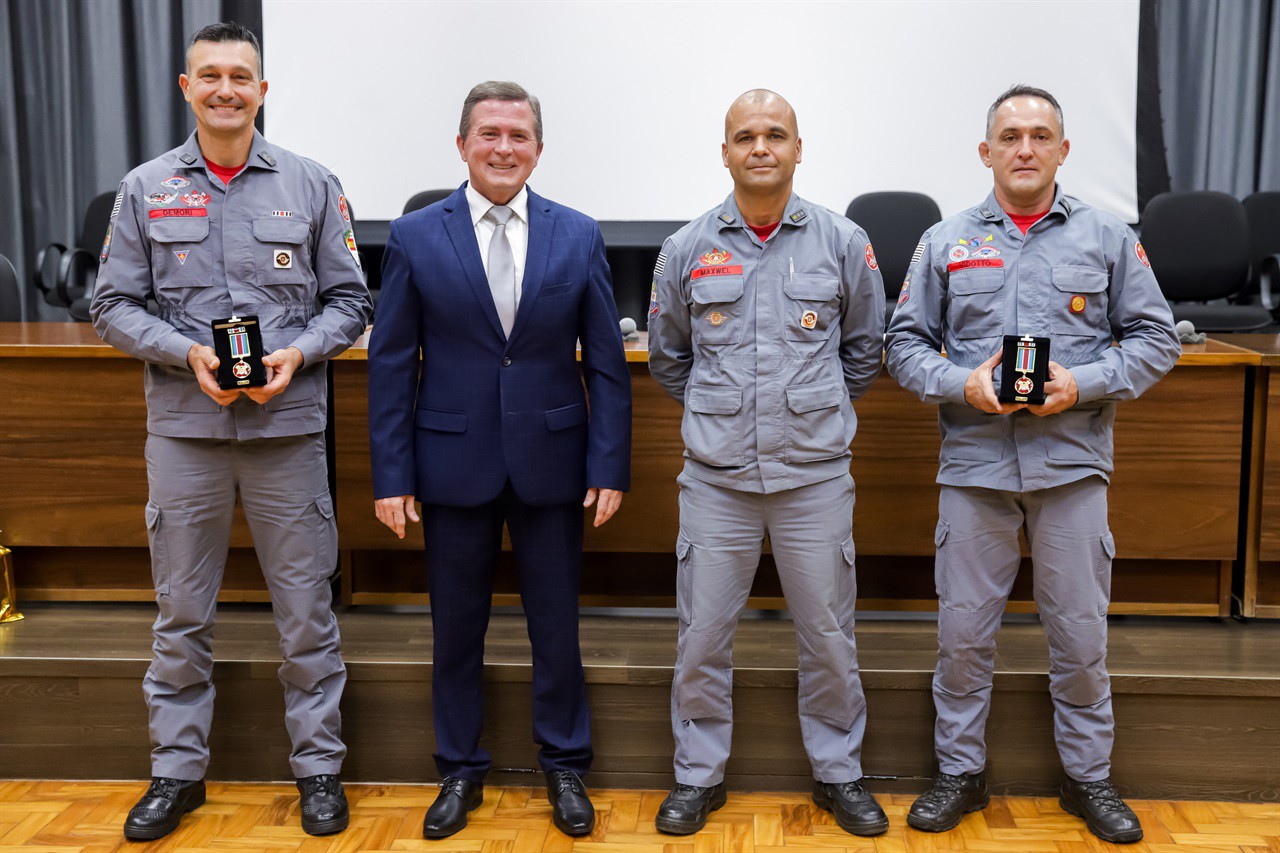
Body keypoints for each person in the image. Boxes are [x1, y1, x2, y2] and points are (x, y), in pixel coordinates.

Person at [90, 22, 371, 842]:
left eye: (239, 76)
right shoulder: (143, 190)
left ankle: (319, 768)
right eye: (208, 75)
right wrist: (185, 353)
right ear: (186, 89)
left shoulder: (313, 185)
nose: (224, 89)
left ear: (262, 89)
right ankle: (176, 773)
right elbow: (110, 305)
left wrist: (297, 352)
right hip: (185, 433)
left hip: (287, 430)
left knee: (306, 613)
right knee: (180, 614)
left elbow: (351, 303)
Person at [884, 84, 1180, 844]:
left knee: (1080, 635)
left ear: (1063, 149)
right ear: (985, 152)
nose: (1024, 148)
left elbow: (1156, 339)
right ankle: (959, 772)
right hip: (975, 470)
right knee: (962, 636)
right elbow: (902, 345)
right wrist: (963, 383)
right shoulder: (945, 241)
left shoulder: (1109, 237)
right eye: (1009, 136)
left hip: (1071, 468)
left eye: (1040, 135)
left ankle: (1089, 779)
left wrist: (1082, 383)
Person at [367, 81, 632, 840]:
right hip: (450, 462)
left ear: (539, 150)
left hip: (554, 460)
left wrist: (609, 463)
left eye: (519, 136)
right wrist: (392, 477)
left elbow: (607, 364)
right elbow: (391, 364)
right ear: (462, 146)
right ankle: (458, 766)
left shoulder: (576, 234)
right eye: (489, 134)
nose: (504, 147)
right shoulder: (417, 235)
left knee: (557, 626)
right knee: (456, 628)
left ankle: (566, 765)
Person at [647, 89, 886, 837]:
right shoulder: (686, 248)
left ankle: (839, 772)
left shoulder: (844, 242)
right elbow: (668, 358)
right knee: (703, 635)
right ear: (724, 152)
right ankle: (697, 775)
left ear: (797, 147)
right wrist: (730, 418)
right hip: (716, 481)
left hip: (813, 478)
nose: (760, 146)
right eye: (744, 135)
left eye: (774, 134)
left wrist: (804, 413)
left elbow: (864, 349)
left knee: (828, 636)